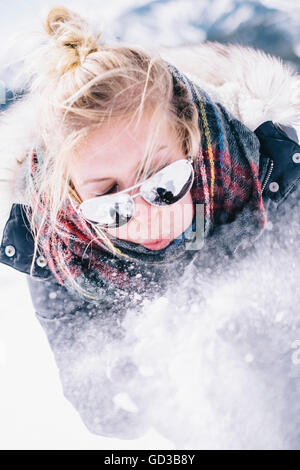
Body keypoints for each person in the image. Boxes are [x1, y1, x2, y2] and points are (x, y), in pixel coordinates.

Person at [0, 6, 299, 439]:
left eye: (163, 184)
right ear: (71, 198)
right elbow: (105, 409)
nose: (147, 216)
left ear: (189, 141)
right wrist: (149, 361)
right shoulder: (59, 250)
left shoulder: (271, 176)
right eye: (111, 205)